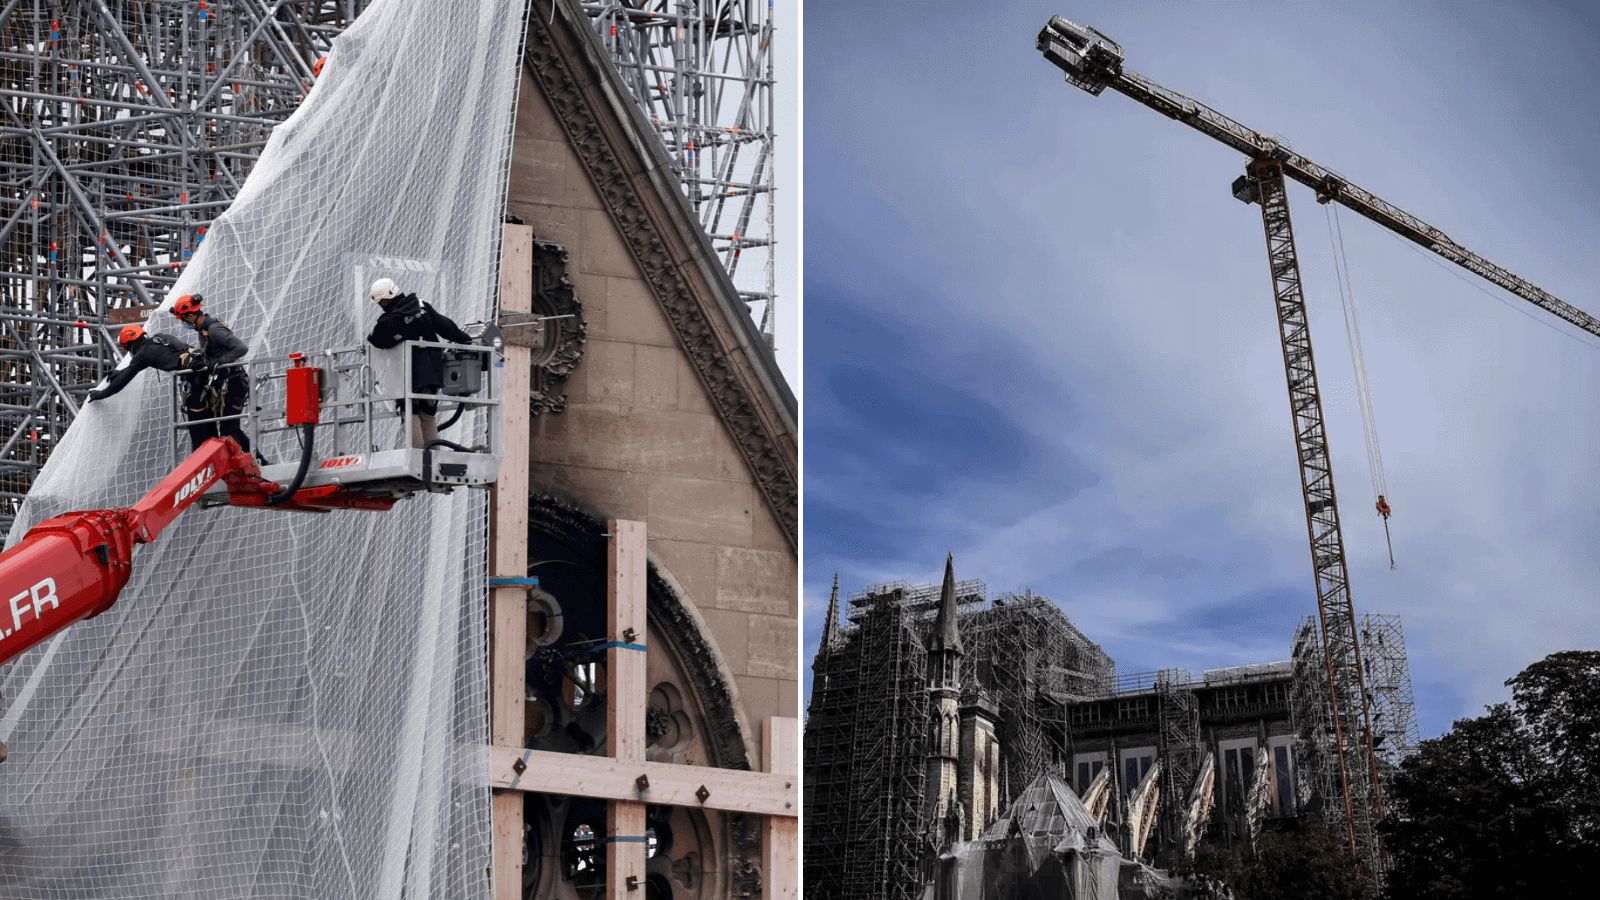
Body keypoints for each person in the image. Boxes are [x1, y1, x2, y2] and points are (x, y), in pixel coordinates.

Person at [364, 278, 473, 448]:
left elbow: (375, 339)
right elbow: (445, 326)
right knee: (428, 414)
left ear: (388, 299)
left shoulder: (390, 320)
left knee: (410, 412)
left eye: (383, 302)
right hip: (433, 373)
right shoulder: (421, 306)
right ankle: (433, 456)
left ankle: (418, 459)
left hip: (409, 375)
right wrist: (466, 340)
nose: (383, 305)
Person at [171, 294, 255, 455]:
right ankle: (251, 461)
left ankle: (255, 461)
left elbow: (241, 348)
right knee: (228, 428)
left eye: (184, 320)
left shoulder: (214, 329)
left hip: (234, 383)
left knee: (229, 430)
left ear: (191, 316)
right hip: (226, 383)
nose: (185, 324)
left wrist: (221, 361)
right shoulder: (203, 330)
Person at [86, 325, 198, 408]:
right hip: (199, 363)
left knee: (197, 418)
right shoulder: (158, 338)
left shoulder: (142, 354)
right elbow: (132, 369)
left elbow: (121, 382)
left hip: (196, 375)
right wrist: (120, 372)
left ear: (132, 343)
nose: (130, 351)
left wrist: (101, 394)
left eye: (128, 348)